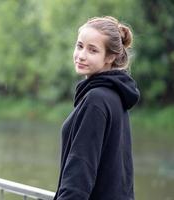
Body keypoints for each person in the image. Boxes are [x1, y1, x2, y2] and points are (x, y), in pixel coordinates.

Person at [53, 16, 140, 200]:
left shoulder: (97, 100)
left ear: (110, 57)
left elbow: (80, 170)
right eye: (79, 46)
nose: (82, 55)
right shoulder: (115, 96)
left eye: (92, 50)